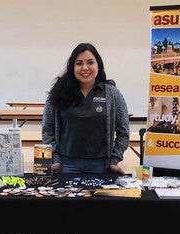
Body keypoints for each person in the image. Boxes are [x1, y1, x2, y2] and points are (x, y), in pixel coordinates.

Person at [42, 43, 129, 174]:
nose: (85, 68)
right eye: (79, 63)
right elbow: (47, 130)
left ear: (98, 65)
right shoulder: (59, 92)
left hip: (100, 165)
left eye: (90, 62)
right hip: (66, 165)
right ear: (72, 67)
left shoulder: (111, 93)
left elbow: (124, 132)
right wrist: (55, 158)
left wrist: (115, 159)